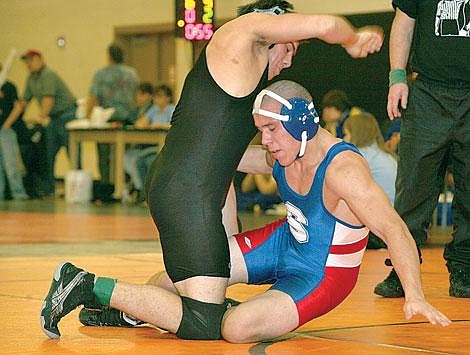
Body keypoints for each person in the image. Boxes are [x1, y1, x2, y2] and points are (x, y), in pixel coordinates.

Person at [40, 0, 385, 340]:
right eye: (290, 48)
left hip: (189, 188)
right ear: (273, 24)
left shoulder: (241, 73)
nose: (289, 60)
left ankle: (128, 311)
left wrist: (232, 227)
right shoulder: (240, 35)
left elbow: (224, 159)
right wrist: (352, 40)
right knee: (204, 321)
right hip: (186, 192)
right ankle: (84, 284)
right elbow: (327, 26)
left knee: (210, 295)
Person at [40, 80, 450, 342]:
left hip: (323, 274)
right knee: (174, 278)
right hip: (283, 241)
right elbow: (228, 157)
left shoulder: (345, 170)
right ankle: (139, 315)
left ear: (303, 124)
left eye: (272, 130)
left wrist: (414, 295)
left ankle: (115, 294)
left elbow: (397, 230)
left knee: (234, 329)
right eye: (263, 131)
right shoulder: (284, 151)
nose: (267, 141)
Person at [376, 0, 470, 298]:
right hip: (428, 90)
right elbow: (404, 22)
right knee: (414, 187)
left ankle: (464, 268)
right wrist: (397, 77)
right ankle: (402, 269)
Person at [5, 50, 77, 198]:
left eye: (31, 60)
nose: (28, 64)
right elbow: (23, 102)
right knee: (48, 154)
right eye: (26, 61)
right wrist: (11, 120)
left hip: (67, 116)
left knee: (73, 153)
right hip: (53, 119)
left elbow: (48, 100)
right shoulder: (31, 79)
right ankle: (48, 190)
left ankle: (78, 190)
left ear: (40, 59)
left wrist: (40, 117)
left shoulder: (48, 75)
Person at [86, 44, 139, 184]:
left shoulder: (101, 74)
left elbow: (93, 96)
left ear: (109, 56)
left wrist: (87, 117)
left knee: (104, 155)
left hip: (107, 119)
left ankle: (106, 185)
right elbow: (137, 98)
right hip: (127, 119)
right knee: (123, 154)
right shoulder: (132, 74)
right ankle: (123, 184)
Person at [343, 112, 397, 249]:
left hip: (376, 229)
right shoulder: (384, 154)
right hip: (393, 224)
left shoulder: (359, 156)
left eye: (346, 134)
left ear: (356, 134)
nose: (343, 139)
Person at [124, 84, 174, 203]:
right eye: (156, 97)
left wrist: (159, 125)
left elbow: (174, 126)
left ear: (168, 98)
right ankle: (144, 192)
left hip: (165, 147)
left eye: (161, 96)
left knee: (148, 161)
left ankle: (153, 194)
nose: (157, 99)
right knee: (139, 160)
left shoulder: (172, 109)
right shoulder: (154, 110)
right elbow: (140, 124)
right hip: (152, 145)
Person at [0, 64, 29, 200]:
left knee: (11, 164)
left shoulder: (8, 87)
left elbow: (17, 108)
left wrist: (6, 125)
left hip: (6, 131)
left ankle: (18, 194)